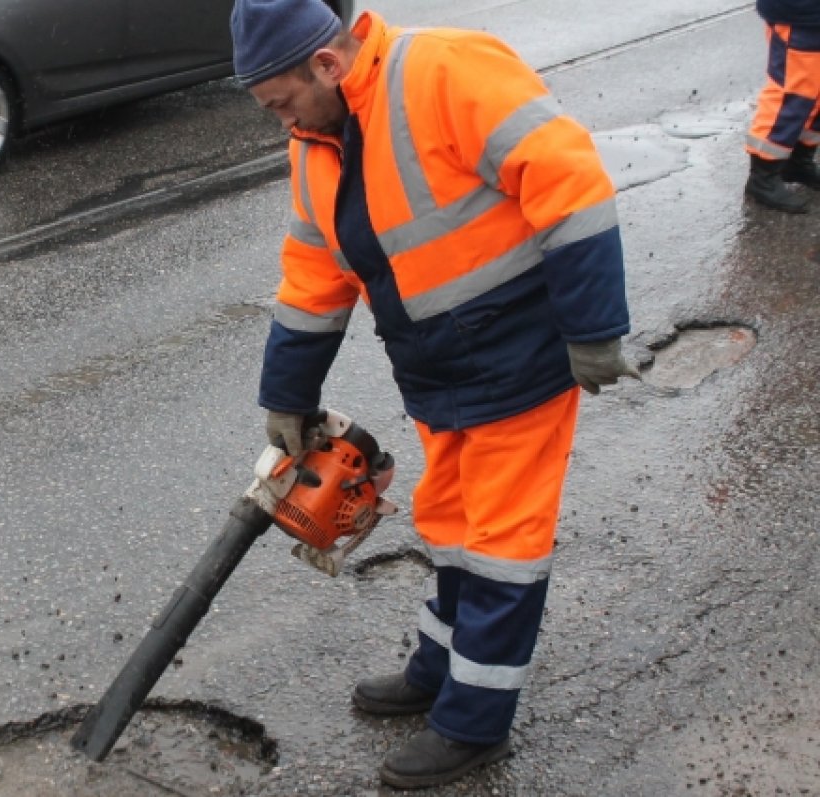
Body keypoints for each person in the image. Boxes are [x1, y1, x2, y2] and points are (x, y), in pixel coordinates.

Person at [230, 0, 639, 789]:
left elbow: (568, 179)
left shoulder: (445, 70)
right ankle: (439, 667)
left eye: (279, 102)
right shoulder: (314, 140)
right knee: (449, 524)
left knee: (502, 547)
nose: (276, 120)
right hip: (437, 371)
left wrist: (594, 327)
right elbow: (313, 274)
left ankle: (473, 722)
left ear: (325, 63)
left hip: (519, 359)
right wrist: (289, 394)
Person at [744, 0, 820, 213]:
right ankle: (763, 176)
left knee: (815, 93)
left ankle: (798, 162)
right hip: (800, 15)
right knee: (792, 95)